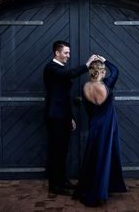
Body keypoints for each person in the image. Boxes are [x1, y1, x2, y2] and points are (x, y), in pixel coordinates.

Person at [43, 41, 97, 196]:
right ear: (57, 53)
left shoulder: (60, 68)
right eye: (66, 53)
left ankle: (63, 181)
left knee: (63, 152)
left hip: (63, 117)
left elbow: (64, 97)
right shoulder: (51, 68)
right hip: (54, 118)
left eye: (69, 52)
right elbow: (69, 74)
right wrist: (87, 65)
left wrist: (71, 118)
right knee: (56, 153)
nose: (68, 55)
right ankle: (55, 186)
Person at [73, 56, 127, 207]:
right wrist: (106, 59)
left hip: (95, 124)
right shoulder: (108, 84)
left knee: (94, 155)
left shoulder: (85, 88)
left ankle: (96, 186)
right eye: (103, 71)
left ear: (90, 71)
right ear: (102, 72)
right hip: (108, 124)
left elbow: (88, 110)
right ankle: (100, 190)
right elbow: (116, 70)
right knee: (106, 155)